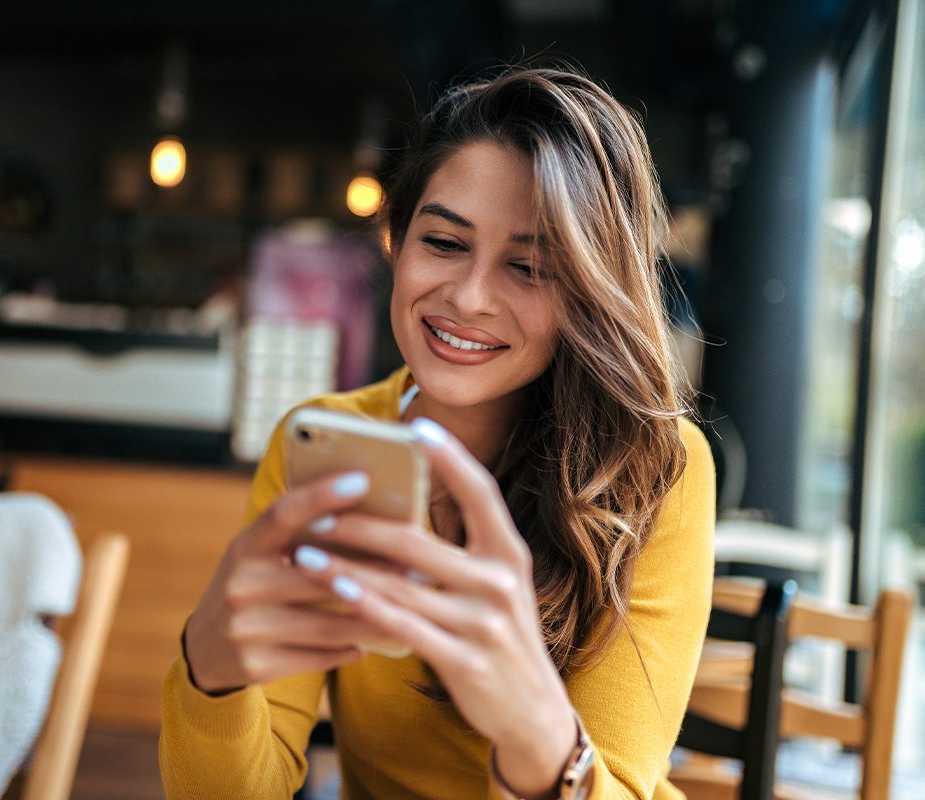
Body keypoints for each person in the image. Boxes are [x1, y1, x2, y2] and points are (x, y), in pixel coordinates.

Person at [159, 65, 715, 800]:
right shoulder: (327, 442)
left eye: (528, 266)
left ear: (587, 292)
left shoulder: (655, 470)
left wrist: (540, 737)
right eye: (445, 244)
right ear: (397, 238)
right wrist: (210, 670)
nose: (468, 297)